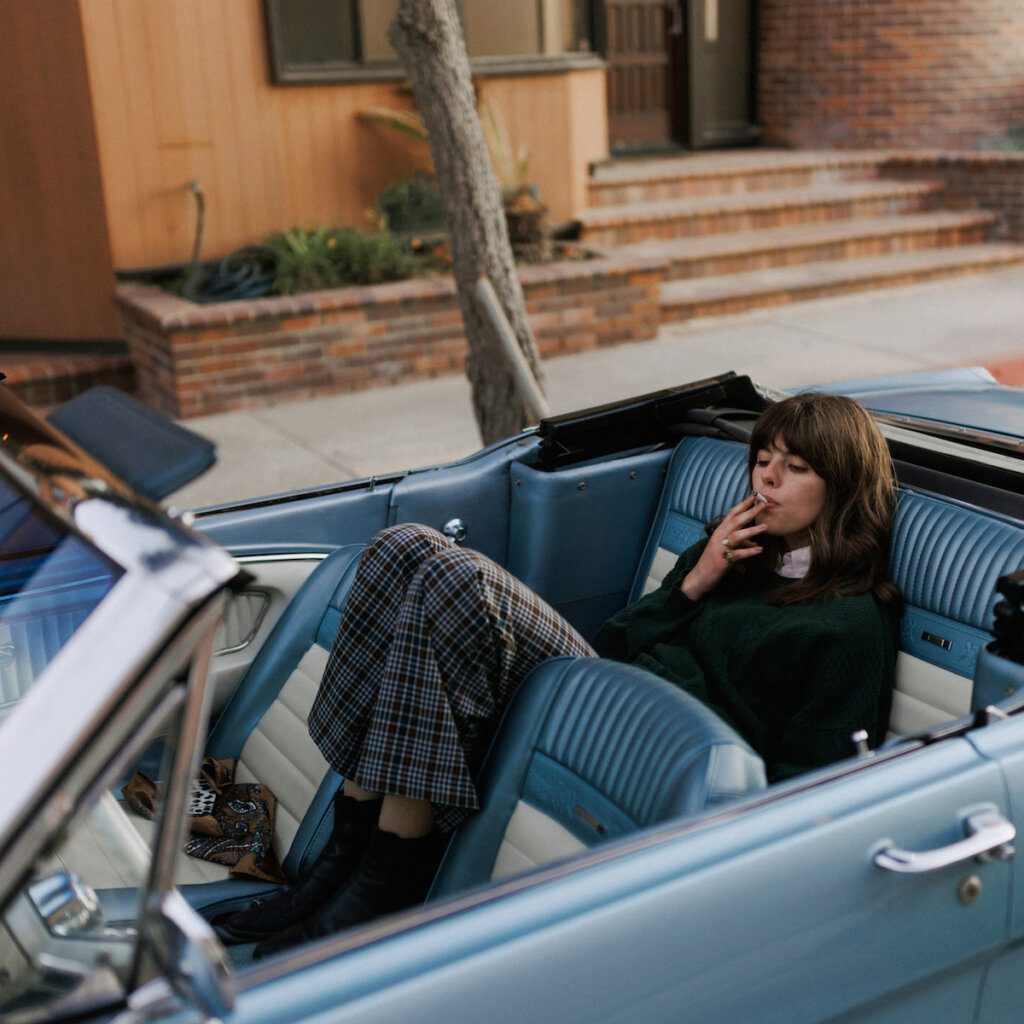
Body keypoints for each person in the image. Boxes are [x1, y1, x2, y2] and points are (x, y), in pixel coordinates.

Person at [222, 392, 900, 957]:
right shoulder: (732, 549)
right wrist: (695, 581)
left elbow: (811, 790)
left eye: (796, 466)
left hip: (645, 752)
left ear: (840, 486)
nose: (766, 480)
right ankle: (345, 861)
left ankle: (387, 879)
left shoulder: (850, 626)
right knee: (403, 547)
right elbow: (613, 642)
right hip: (588, 697)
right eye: (762, 459)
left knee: (456, 578)